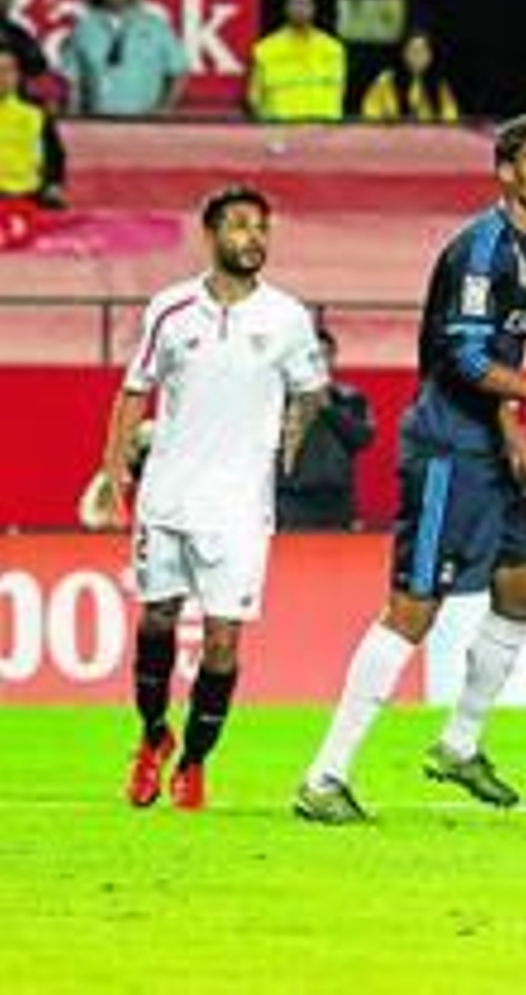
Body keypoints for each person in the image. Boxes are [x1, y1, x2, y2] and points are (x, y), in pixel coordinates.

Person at [296, 115, 526, 824]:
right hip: (445, 450)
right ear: (504, 172)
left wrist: (516, 437)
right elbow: (466, 359)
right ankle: (324, 776)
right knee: (413, 611)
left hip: (487, 451)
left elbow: (498, 364)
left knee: (522, 593)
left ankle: (459, 744)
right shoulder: (484, 251)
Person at [100, 185, 328, 811]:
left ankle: (195, 762)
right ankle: (152, 738)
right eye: (239, 226)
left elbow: (312, 388)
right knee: (156, 620)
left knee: (224, 641)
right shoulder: (170, 310)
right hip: (167, 496)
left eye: (262, 227)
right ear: (210, 236)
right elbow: (134, 389)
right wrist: (114, 465)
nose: (253, 238)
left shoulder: (286, 317)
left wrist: (292, 438)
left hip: (237, 509)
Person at [275, 327, 375, 531]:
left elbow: (362, 439)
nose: (318, 364)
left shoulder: (350, 398)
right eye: (311, 357)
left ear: (333, 359)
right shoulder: (277, 400)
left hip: (337, 503)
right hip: (291, 503)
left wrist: (328, 407)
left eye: (324, 356)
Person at [63, 0, 189, 116]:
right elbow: (73, 81)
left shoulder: (156, 28)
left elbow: (179, 72)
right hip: (97, 123)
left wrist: (164, 110)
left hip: (144, 123)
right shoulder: (84, 29)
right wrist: (73, 118)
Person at [247, 0, 347, 122]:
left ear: (314, 9)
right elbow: (254, 99)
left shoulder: (333, 48)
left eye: (306, 3)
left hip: (322, 132)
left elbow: (340, 93)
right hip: (281, 132)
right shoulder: (265, 48)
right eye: (295, 3)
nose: (301, 9)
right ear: (286, 8)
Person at [0, 45, 64, 208]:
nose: (2, 77)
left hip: (29, 197)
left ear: (18, 75)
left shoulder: (36, 112)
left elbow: (54, 155)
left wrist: (53, 186)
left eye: (8, 70)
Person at [360, 30, 460, 124]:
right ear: (403, 53)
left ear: (431, 56)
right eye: (412, 50)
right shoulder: (386, 81)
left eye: (423, 51)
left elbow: (450, 118)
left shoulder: (439, 84)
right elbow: (370, 116)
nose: (417, 56)